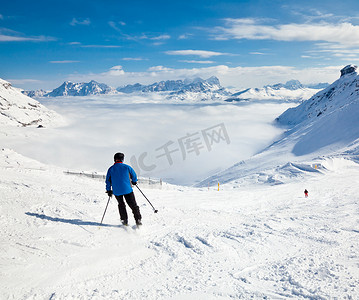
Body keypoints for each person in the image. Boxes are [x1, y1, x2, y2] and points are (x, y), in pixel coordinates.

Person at [106, 152, 142, 226]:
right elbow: (134, 175)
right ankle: (138, 220)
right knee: (133, 205)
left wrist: (109, 190)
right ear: (122, 159)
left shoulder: (111, 169)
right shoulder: (127, 167)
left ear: (114, 159)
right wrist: (134, 181)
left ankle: (124, 221)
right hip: (127, 189)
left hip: (117, 191)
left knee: (121, 205)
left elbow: (108, 181)